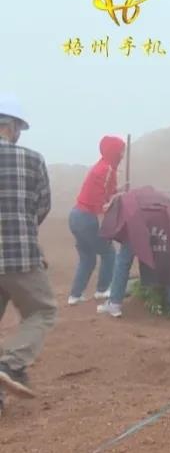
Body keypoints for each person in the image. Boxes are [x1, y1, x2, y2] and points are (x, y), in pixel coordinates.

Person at [0, 94, 56, 412]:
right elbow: (42, 206)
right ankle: (11, 365)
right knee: (41, 311)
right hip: (19, 255)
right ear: (12, 128)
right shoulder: (32, 159)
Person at [97, 186, 170, 321]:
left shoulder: (125, 201)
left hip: (138, 226)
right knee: (168, 264)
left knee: (123, 262)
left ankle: (114, 305)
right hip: (163, 225)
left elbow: (122, 224)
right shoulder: (156, 196)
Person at [68, 135, 125, 305]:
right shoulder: (106, 169)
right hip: (87, 218)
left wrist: (118, 191)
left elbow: (105, 191)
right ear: (114, 152)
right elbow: (100, 203)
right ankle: (102, 290)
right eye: (121, 151)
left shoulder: (101, 167)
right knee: (109, 253)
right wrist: (117, 198)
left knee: (87, 258)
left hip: (76, 216)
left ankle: (75, 296)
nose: (122, 155)